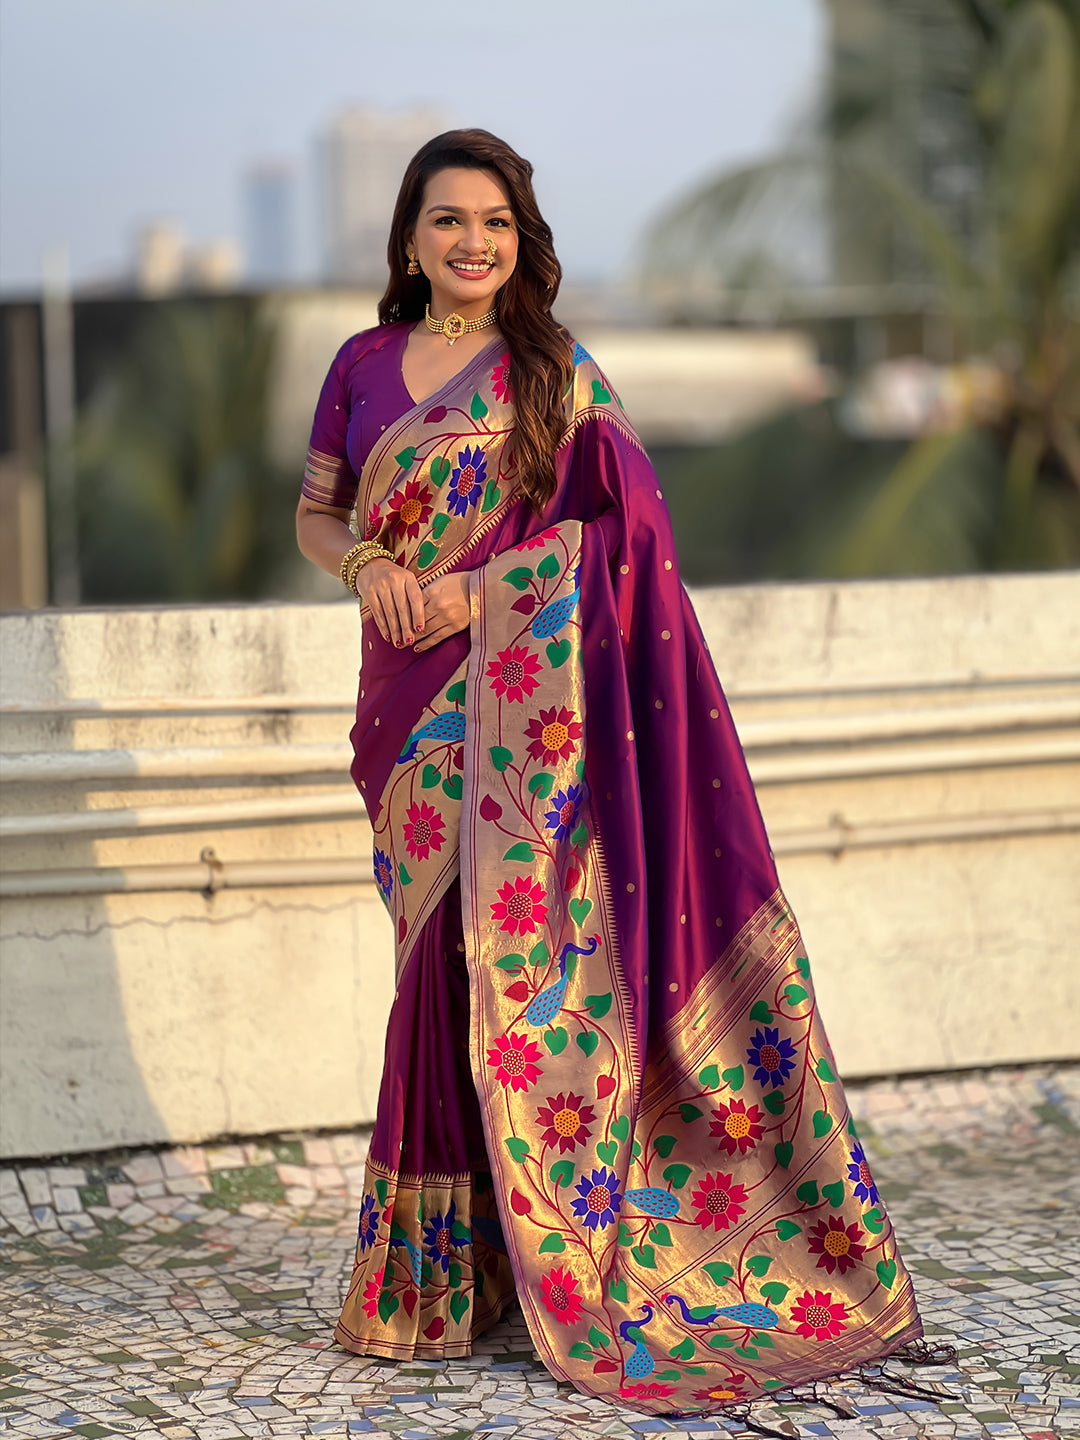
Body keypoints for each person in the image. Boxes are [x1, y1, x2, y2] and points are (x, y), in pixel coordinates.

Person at [295, 129, 925, 1419]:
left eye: (496, 223)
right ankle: (451, 1270)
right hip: (401, 708)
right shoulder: (358, 364)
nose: (472, 242)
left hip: (516, 702)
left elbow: (627, 532)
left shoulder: (553, 372)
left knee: (482, 963)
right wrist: (368, 566)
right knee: (429, 965)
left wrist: (478, 591)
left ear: (520, 241)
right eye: (448, 219)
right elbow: (318, 510)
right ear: (409, 237)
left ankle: (484, 1275)